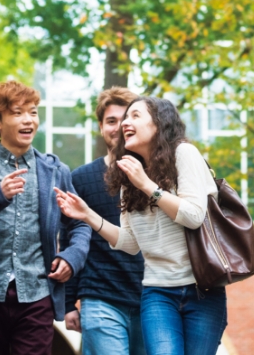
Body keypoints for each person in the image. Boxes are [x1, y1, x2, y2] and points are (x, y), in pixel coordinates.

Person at [56, 96, 227, 355]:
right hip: (158, 293)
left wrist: (146, 185)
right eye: (125, 118)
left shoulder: (184, 153)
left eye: (135, 116)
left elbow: (193, 215)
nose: (126, 122)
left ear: (159, 123)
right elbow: (130, 243)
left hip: (202, 290)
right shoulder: (128, 173)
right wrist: (88, 215)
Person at [0, 80, 91, 355]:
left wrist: (72, 258)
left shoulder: (55, 170)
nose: (29, 121)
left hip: (37, 293)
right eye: (17, 113)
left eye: (33, 112)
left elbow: (80, 223)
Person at [61, 87, 146, 355]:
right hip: (100, 297)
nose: (119, 127)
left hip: (154, 300)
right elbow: (72, 238)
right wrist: (67, 302)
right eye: (111, 121)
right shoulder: (81, 178)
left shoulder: (157, 178)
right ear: (100, 126)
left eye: (127, 120)